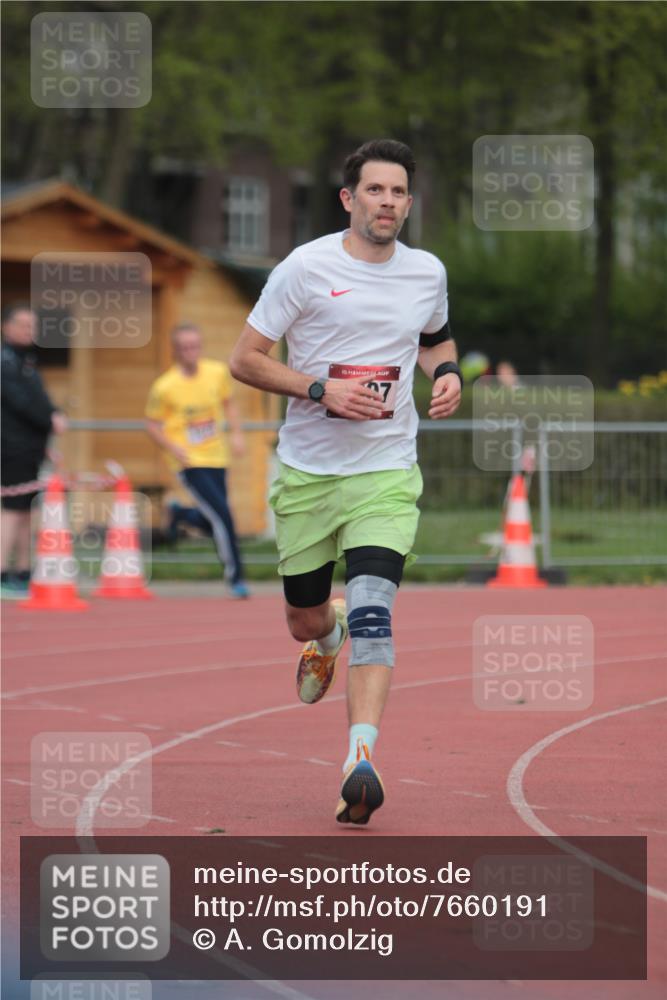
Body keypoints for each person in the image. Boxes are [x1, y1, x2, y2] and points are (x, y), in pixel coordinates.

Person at [230, 138, 462, 824]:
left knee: (374, 611)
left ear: (408, 203)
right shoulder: (304, 268)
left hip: (386, 472)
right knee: (307, 612)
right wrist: (317, 389)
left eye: (397, 193)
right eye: (374, 191)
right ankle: (321, 640)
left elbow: (435, 337)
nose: (386, 202)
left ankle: (359, 758)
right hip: (307, 472)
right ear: (348, 198)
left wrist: (445, 374)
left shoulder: (426, 272)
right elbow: (244, 360)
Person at [145, 323, 250, 598]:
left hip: (218, 456)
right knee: (224, 517)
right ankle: (236, 577)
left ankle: (180, 514)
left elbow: (229, 404)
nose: (191, 352)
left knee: (215, 518)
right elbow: (153, 424)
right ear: (176, 351)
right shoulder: (164, 386)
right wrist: (173, 447)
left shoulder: (216, 373)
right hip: (188, 462)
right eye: (184, 348)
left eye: (195, 346)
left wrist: (237, 434)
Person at [1, 305, 67, 598]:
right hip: (10, 448)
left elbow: (40, 398)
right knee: (12, 510)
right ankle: (3, 572)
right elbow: (22, 403)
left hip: (31, 448)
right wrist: (50, 418)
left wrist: (49, 430)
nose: (29, 330)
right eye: (23, 324)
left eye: (33, 325)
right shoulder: (4, 362)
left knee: (27, 511)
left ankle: (23, 572)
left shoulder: (26, 360)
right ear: (6, 326)